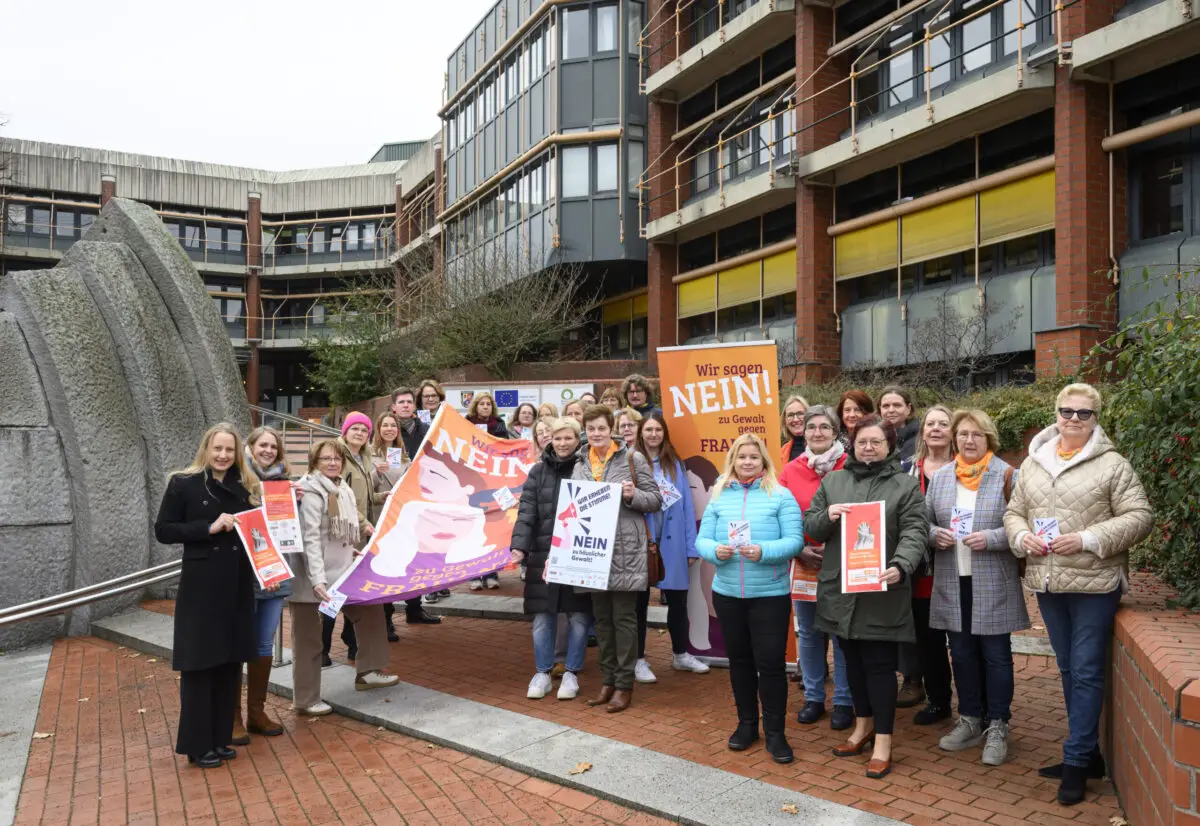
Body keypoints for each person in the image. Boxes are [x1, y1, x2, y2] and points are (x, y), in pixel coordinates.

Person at [1004, 383, 1153, 805]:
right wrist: (1022, 538)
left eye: (1083, 413)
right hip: (1049, 583)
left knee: (1086, 670)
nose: (1073, 418)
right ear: (1056, 413)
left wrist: (1087, 538)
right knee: (1069, 669)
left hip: (1093, 584)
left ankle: (1076, 759)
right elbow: (1014, 512)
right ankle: (1088, 755)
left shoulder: (1113, 465)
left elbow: (1140, 516)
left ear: (1096, 418)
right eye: (1066, 410)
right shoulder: (1033, 463)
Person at [805, 415, 928, 779]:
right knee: (852, 664)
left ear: (890, 445)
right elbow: (811, 525)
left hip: (882, 590)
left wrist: (901, 564)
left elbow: (915, 531)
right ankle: (862, 728)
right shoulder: (834, 480)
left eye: (876, 441)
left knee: (878, 667)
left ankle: (884, 741)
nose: (868, 447)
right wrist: (827, 514)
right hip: (840, 589)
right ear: (852, 445)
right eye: (862, 442)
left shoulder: (905, 486)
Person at [155, 424, 261, 768]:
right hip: (201, 590)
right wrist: (207, 528)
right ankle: (197, 744)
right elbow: (164, 530)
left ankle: (219, 738)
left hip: (236, 586)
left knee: (229, 663)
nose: (223, 455)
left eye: (230, 450)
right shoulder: (183, 484)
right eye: (218, 449)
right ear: (206, 448)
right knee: (200, 666)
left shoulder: (244, 487)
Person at [926, 409, 1026, 767]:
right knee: (963, 654)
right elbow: (923, 522)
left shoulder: (1007, 476)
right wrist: (932, 534)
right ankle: (969, 718)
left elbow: (1022, 525)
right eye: (964, 434)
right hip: (953, 578)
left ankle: (998, 724)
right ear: (955, 438)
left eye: (977, 435)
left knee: (996, 655)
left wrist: (993, 537)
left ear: (989, 439)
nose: (970, 441)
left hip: (992, 579)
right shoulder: (940, 479)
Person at [695, 433, 802, 763]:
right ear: (733, 461)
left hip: (769, 595)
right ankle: (746, 725)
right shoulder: (718, 495)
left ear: (764, 461)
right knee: (739, 662)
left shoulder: (780, 496)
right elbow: (702, 541)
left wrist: (765, 552)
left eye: (754, 457)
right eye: (741, 457)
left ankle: (775, 733)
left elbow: (795, 542)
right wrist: (717, 551)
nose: (747, 462)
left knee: (770, 665)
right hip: (728, 595)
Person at [291, 439, 399, 717]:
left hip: (341, 573)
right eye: (325, 459)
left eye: (336, 459)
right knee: (309, 640)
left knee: (371, 612)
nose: (332, 463)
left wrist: (351, 547)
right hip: (312, 580)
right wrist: (318, 581)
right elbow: (310, 540)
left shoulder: (343, 488)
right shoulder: (311, 491)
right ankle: (305, 700)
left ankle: (368, 672)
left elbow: (340, 531)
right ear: (314, 461)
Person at [572, 405, 662, 713]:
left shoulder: (632, 458)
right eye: (591, 428)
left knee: (623, 619)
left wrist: (632, 495)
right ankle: (607, 680)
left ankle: (624, 685)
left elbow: (655, 500)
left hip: (625, 550)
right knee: (603, 620)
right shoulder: (581, 461)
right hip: (591, 551)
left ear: (611, 429)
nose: (596, 433)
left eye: (601, 428)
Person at [778, 405, 853, 731]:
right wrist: (799, 550)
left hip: (842, 562)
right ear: (803, 432)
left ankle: (844, 701)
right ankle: (813, 697)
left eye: (825, 427)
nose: (818, 432)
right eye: (812, 427)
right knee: (808, 634)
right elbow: (780, 516)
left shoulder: (850, 465)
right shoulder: (791, 470)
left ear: (836, 431)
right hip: (805, 562)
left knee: (841, 634)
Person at [511, 418, 593, 700]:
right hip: (542, 555)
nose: (562, 443)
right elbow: (526, 512)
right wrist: (519, 547)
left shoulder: (587, 469)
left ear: (577, 439)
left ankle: (572, 672)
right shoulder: (537, 472)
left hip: (579, 553)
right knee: (542, 618)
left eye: (568, 438)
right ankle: (543, 672)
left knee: (579, 616)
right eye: (557, 438)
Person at [636, 412, 709, 676]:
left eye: (658, 430)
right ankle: (638, 659)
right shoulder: (631, 462)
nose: (653, 434)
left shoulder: (674, 464)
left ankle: (681, 654)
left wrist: (691, 546)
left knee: (678, 602)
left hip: (674, 541)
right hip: (641, 541)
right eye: (648, 430)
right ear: (640, 433)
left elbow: (688, 507)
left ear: (664, 433)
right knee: (638, 603)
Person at [237, 426, 294, 743]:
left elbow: (288, 531)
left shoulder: (284, 484)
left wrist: (294, 502)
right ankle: (232, 716)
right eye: (263, 445)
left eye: (274, 446)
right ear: (250, 446)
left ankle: (255, 712)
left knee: (263, 644)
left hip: (275, 575)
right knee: (237, 643)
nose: (269, 450)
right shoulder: (237, 480)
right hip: (243, 575)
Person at [905, 405, 957, 726]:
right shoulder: (907, 470)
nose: (936, 428)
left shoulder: (965, 467)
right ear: (922, 431)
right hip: (921, 574)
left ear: (953, 430)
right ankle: (939, 701)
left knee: (963, 643)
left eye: (943, 423)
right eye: (930, 424)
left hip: (958, 567)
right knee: (929, 642)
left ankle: (974, 706)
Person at [372, 412, 441, 628]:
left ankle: (414, 608)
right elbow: (366, 488)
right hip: (381, 519)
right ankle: (386, 618)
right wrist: (375, 472)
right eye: (385, 425)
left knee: (412, 564)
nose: (390, 429)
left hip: (404, 520)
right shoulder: (370, 455)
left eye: (393, 425)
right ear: (378, 429)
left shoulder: (402, 455)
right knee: (387, 569)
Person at [327, 412, 378, 657]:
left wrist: (382, 498)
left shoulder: (364, 457)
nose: (359, 433)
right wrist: (364, 522)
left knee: (353, 589)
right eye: (354, 428)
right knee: (334, 589)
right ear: (345, 431)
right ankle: (322, 647)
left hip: (361, 531)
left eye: (364, 430)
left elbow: (362, 496)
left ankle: (351, 639)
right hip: (343, 532)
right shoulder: (338, 456)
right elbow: (340, 497)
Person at [879, 386, 919, 468]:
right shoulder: (872, 437)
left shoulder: (922, 438)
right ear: (880, 409)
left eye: (897, 405)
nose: (891, 410)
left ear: (908, 408)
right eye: (886, 406)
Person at [391, 386, 430, 458]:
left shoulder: (428, 430)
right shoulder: (386, 431)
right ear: (394, 407)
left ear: (414, 406)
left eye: (409, 402)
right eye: (401, 402)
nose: (406, 405)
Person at [779, 395, 809, 468]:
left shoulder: (820, 445)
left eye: (800, 414)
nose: (795, 419)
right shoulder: (782, 452)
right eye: (790, 415)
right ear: (785, 421)